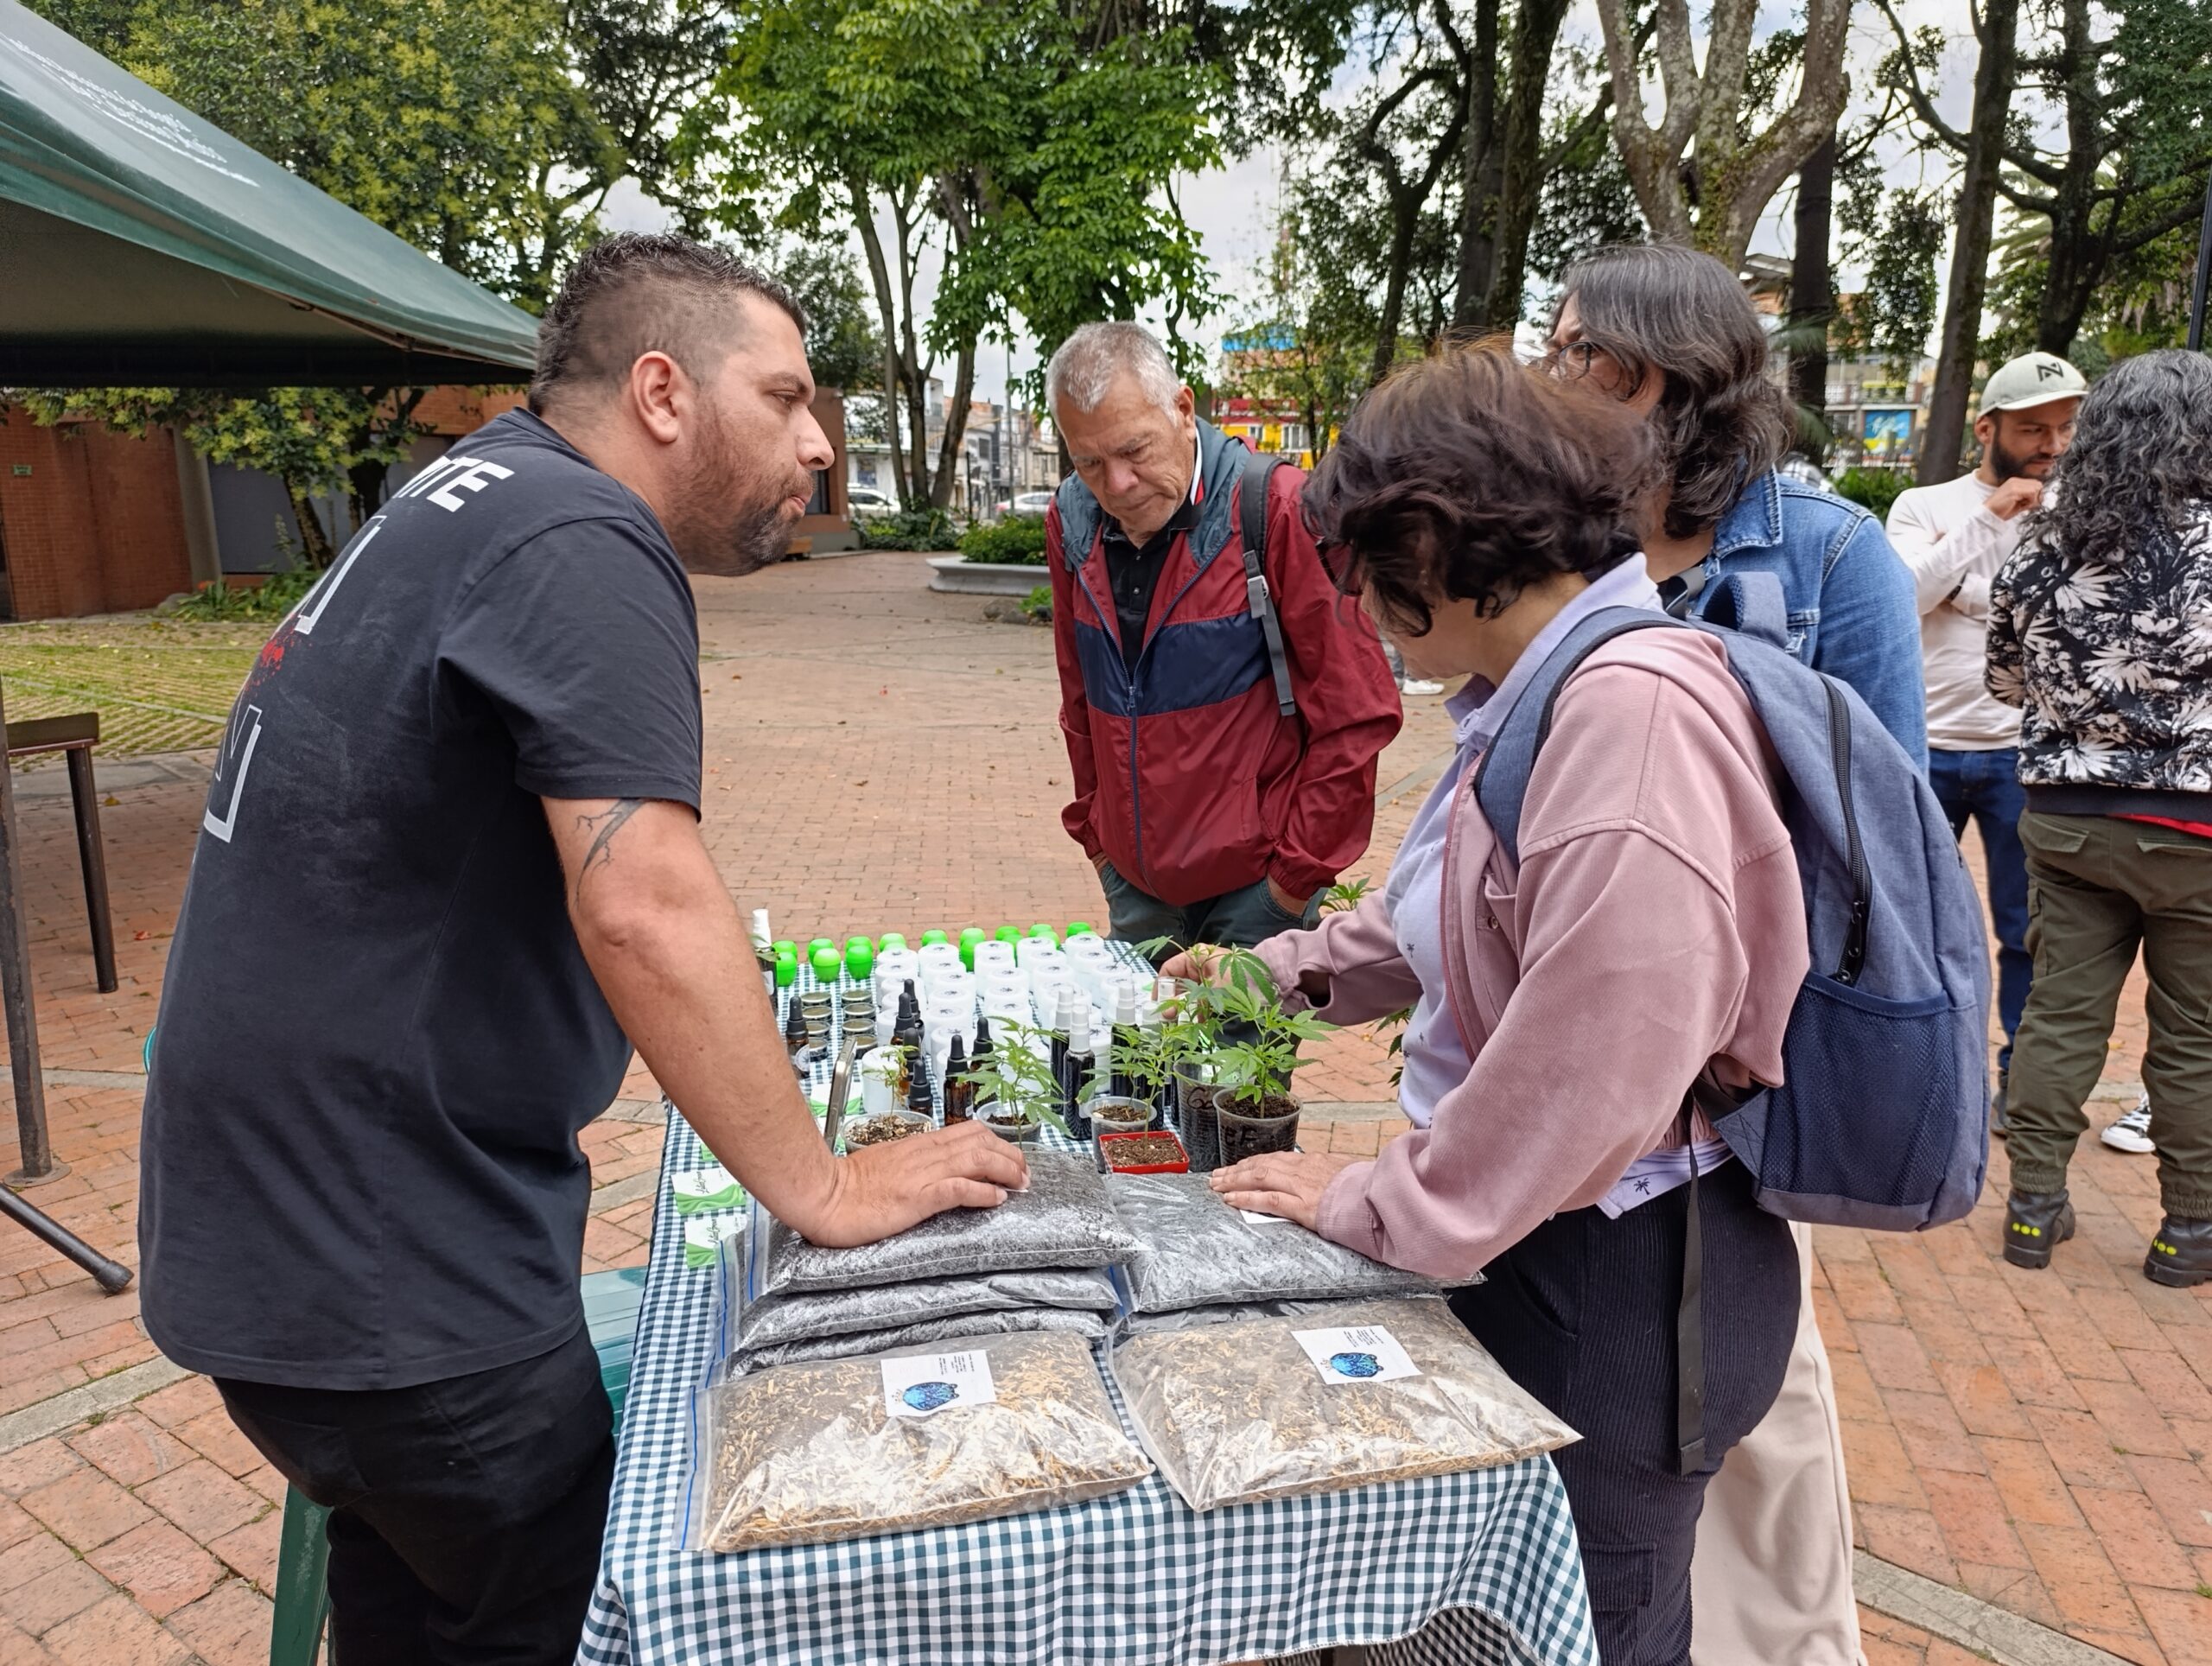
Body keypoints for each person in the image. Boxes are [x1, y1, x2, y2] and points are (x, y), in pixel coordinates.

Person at [138, 235, 1027, 1665]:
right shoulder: (579, 534)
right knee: (545, 1611)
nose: (816, 443)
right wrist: (825, 1182)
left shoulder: (478, 492)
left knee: (420, 1608)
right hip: (397, 1269)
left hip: (285, 1247)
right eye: (785, 396)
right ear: (662, 392)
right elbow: (644, 902)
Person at [1175, 343, 1804, 1663]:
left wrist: (1380, 1201)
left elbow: (1590, 1070)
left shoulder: (1626, 718)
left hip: (1627, 1277)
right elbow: (1447, 912)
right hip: (1547, 1240)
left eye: (1363, 565)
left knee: (1592, 1616)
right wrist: (1270, 975)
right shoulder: (1541, 696)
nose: (1355, 601)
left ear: (1434, 544)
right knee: (1504, 1609)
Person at [1547, 241, 1926, 1666]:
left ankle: (1789, 1645)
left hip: (1746, 1054)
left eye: (1572, 348)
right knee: (1635, 1373)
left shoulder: (1825, 552)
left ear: (1652, 372)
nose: (1551, 373)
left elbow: (1877, 826)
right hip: (1591, 1026)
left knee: (1762, 1389)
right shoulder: (1571, 531)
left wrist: (1752, 1010)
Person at [1043, 321, 1401, 958]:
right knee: (1136, 1031)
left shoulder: (1278, 509)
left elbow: (1357, 712)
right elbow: (1080, 701)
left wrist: (1291, 882)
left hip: (1257, 896)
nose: (1117, 484)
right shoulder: (1071, 521)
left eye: (1135, 450)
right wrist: (1098, 841)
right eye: (1089, 462)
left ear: (1183, 409)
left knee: (1244, 1034)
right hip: (1136, 892)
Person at [1986, 348, 2212, 1288]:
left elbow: (2004, 680)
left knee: (2059, 1014)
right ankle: (2187, 1229)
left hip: (2069, 818)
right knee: (2194, 1035)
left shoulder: (2047, 540)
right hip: (2198, 833)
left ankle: (2032, 1209)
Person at [1886, 352, 2087, 1142]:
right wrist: (1989, 521)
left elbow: (2068, 617)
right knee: (1911, 924)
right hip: (1923, 748)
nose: (2052, 445)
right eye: (2034, 429)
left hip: (2020, 754)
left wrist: (1967, 593)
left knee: (2026, 930)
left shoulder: (2075, 513)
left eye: (2064, 428)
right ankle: (1916, 1079)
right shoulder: (1923, 504)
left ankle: (2017, 1089)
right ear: (1987, 429)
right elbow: (1903, 598)